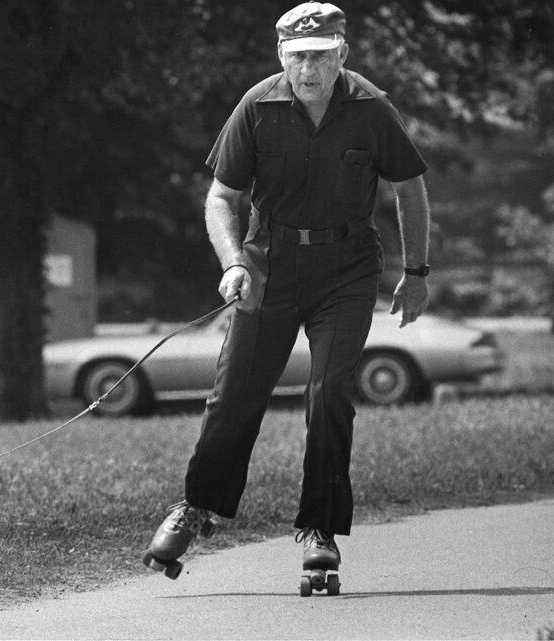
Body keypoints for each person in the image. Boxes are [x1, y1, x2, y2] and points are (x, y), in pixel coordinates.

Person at [143, 2, 430, 586]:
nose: (309, 68)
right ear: (281, 55)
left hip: (348, 269)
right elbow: (221, 197)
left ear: (341, 55)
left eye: (321, 56)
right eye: (298, 55)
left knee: (328, 394)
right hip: (267, 264)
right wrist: (231, 265)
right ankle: (198, 506)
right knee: (234, 395)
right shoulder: (257, 106)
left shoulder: (372, 108)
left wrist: (417, 271)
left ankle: (319, 531)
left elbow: (410, 188)